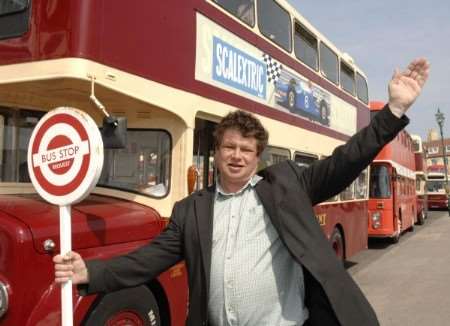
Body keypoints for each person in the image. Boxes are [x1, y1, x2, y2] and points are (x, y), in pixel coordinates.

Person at [54, 58, 429, 326]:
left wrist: (393, 109)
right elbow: (148, 259)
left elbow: (347, 159)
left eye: (246, 149)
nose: (237, 156)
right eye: (229, 147)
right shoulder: (191, 210)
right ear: (216, 153)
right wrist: (90, 271)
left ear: (257, 156)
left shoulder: (286, 187)